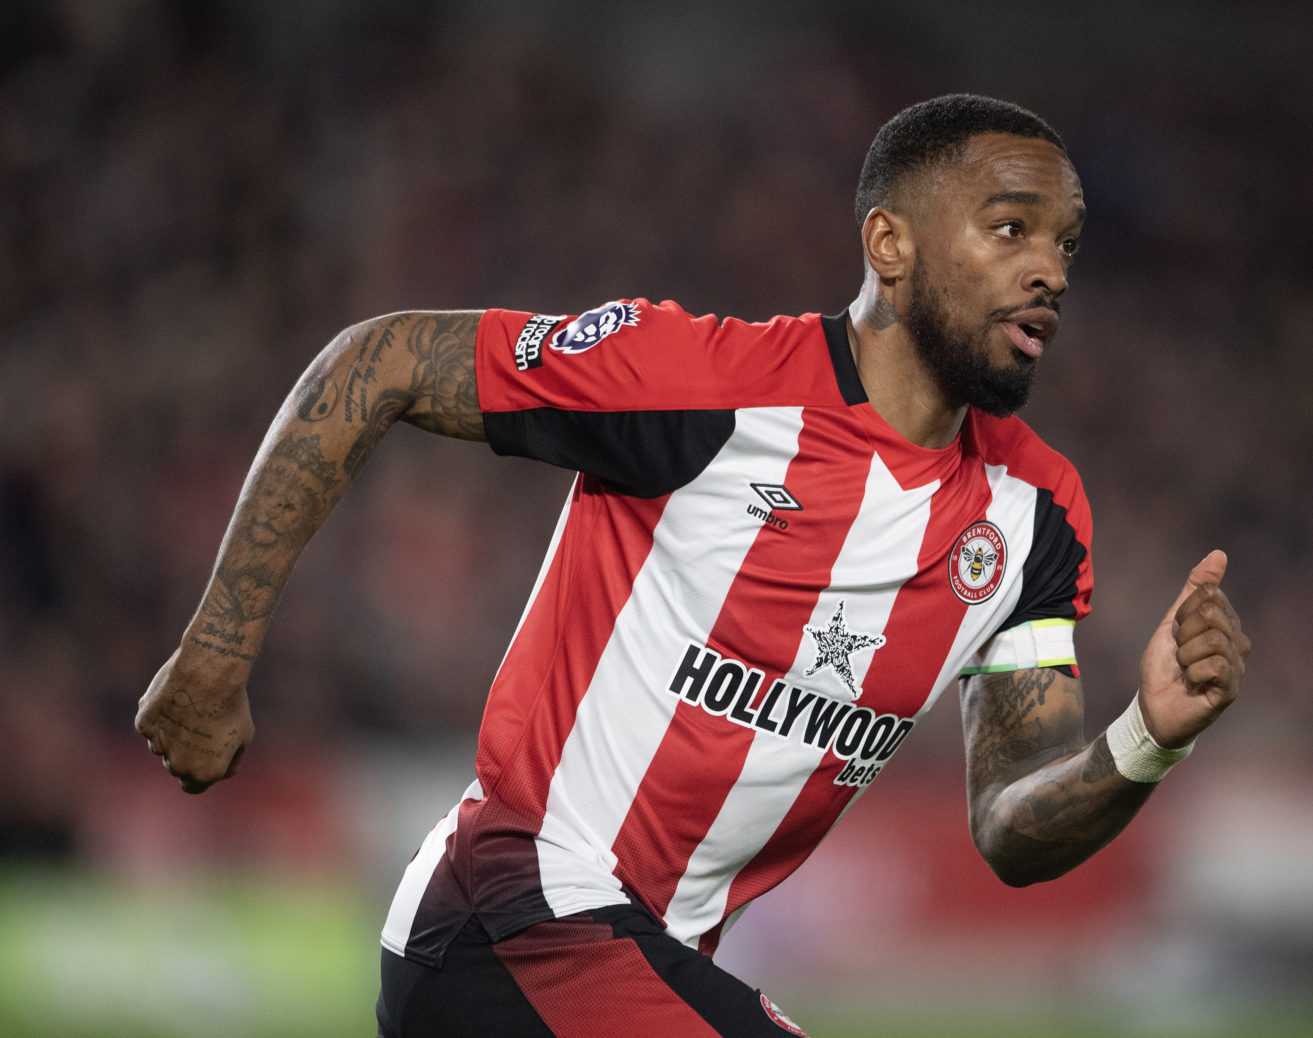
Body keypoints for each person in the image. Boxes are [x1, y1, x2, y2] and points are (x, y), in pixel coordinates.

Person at [138, 94, 1250, 1037]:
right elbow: (375, 361)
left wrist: (1147, 736)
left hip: (649, 965)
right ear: (891, 247)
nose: (1051, 268)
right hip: (510, 916)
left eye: (1066, 241)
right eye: (1011, 230)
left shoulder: (1035, 513)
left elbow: (1012, 824)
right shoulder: (706, 383)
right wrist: (214, 655)